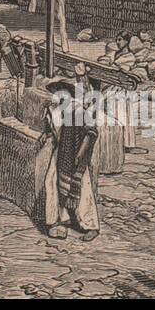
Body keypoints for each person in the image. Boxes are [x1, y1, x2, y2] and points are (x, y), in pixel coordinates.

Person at [41, 80, 101, 241]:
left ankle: (91, 225)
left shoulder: (79, 111)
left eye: (60, 93)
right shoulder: (58, 110)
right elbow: (55, 130)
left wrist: (79, 154)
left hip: (75, 155)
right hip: (61, 153)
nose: (57, 96)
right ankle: (59, 219)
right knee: (51, 182)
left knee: (83, 187)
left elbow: (91, 133)